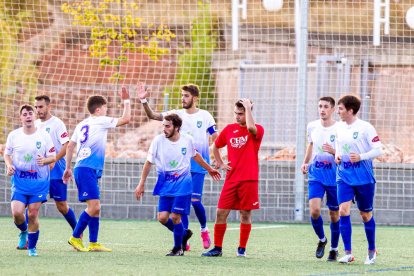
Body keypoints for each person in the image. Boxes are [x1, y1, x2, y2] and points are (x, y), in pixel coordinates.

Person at [138, 83, 218, 250]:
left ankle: (204, 229)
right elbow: (153, 115)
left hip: (199, 164)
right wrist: (144, 100)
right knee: (183, 206)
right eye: (182, 95)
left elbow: (216, 139)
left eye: (186, 96)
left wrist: (219, 159)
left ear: (195, 98)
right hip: (183, 167)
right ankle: (184, 239)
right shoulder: (176, 115)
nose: (183, 98)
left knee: (196, 202)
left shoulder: (205, 116)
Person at [62, 86, 132, 252]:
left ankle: (93, 243)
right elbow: (126, 119)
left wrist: (67, 168)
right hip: (86, 169)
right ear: (99, 109)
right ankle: (75, 237)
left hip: (83, 168)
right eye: (106, 108)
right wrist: (127, 101)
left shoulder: (81, 124)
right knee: (93, 207)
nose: (107, 111)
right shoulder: (100, 120)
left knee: (96, 206)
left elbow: (70, 146)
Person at [202, 98, 264, 258]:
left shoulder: (257, 129)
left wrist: (248, 108)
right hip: (231, 179)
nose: (237, 117)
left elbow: (251, 127)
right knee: (220, 212)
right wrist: (221, 163)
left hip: (249, 179)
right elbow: (215, 145)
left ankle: (241, 249)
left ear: (248, 113)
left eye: (241, 114)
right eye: (236, 113)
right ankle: (217, 248)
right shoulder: (229, 129)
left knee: (245, 214)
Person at [334, 95, 382, 265]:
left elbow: (378, 150)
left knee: (365, 214)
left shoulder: (365, 128)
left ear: (350, 110)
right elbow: (339, 145)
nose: (337, 112)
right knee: (343, 210)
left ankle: (371, 251)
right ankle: (348, 252)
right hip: (344, 175)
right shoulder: (338, 127)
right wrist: (338, 156)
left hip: (363, 178)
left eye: (340, 109)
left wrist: (361, 156)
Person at [4, 104, 56, 256]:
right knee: (17, 213)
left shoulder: (44, 136)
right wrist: (9, 165)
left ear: (34, 116)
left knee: (33, 213)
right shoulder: (14, 135)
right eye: (24, 114)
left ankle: (32, 248)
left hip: (39, 183)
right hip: (19, 182)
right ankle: (24, 231)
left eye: (30, 113)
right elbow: (7, 155)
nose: (27, 116)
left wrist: (44, 161)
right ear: (20, 118)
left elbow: (53, 157)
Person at [301, 96, 340, 262]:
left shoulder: (340, 128)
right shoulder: (312, 126)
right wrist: (305, 162)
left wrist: (333, 152)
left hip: (334, 176)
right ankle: (323, 240)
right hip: (316, 174)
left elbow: (344, 152)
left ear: (332, 109)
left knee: (334, 214)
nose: (322, 110)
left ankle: (334, 248)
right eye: (320, 106)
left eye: (325, 107)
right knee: (315, 210)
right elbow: (310, 145)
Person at [34, 95, 77, 233]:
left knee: (62, 206)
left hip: (56, 169)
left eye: (40, 107)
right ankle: (29, 238)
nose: (37, 110)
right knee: (33, 205)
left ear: (48, 106)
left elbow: (66, 145)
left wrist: (53, 160)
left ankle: (77, 233)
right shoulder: (34, 125)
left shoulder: (57, 124)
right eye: (36, 107)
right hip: (39, 171)